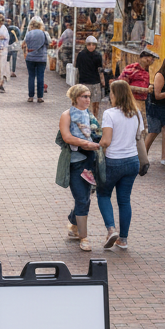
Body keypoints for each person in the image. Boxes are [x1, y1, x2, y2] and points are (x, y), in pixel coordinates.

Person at [96, 80, 145, 251]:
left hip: (113, 161)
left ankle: (111, 230)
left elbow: (106, 141)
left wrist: (96, 142)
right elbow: (139, 135)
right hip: (132, 160)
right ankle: (123, 239)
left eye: (111, 92)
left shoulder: (110, 114)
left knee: (103, 195)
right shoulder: (136, 113)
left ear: (116, 94)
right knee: (124, 200)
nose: (110, 94)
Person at [59, 84, 102, 252]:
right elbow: (67, 137)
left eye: (89, 96)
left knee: (84, 198)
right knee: (83, 199)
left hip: (91, 161)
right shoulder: (67, 115)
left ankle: (74, 223)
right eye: (84, 96)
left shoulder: (90, 115)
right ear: (76, 97)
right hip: (76, 163)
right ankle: (84, 237)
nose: (88, 99)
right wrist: (86, 143)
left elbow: (97, 133)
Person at [75, 36, 105, 118]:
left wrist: (102, 81)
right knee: (84, 103)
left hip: (95, 82)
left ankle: (94, 118)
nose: (91, 46)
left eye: (93, 45)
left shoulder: (98, 55)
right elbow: (77, 69)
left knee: (96, 103)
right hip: (84, 82)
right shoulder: (81, 55)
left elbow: (100, 69)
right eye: (89, 44)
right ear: (86, 45)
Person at [22, 16, 48, 103]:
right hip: (42, 58)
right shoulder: (44, 33)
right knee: (40, 76)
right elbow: (49, 43)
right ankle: (40, 97)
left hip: (30, 58)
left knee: (31, 76)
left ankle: (31, 96)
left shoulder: (29, 33)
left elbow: (25, 44)